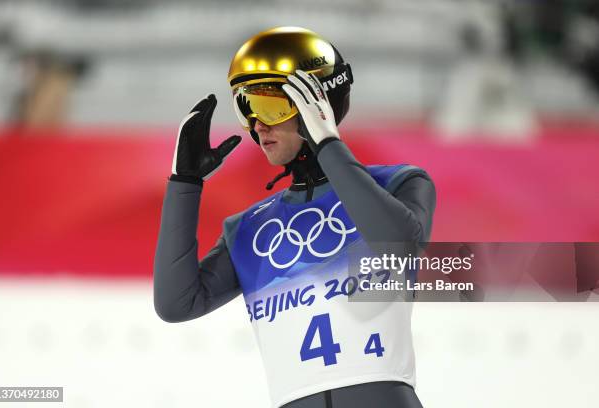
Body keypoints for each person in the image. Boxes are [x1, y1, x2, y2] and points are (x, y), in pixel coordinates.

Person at [154, 26, 436, 408]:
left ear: (317, 105)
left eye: (271, 107)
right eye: (246, 107)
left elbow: (399, 246)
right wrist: (183, 185)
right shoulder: (248, 228)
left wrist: (327, 141)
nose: (258, 124)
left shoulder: (398, 184)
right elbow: (176, 304)